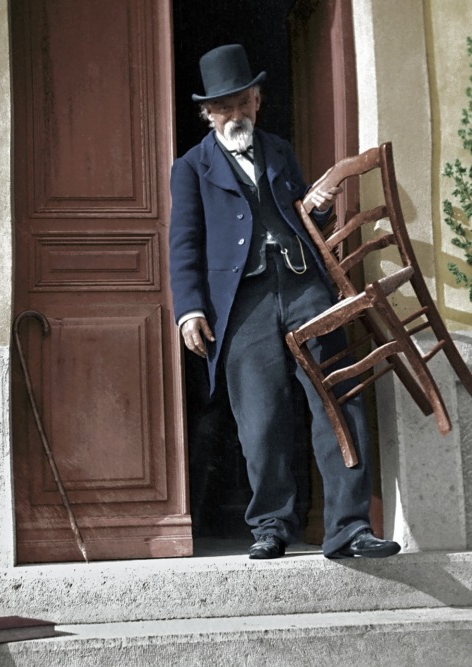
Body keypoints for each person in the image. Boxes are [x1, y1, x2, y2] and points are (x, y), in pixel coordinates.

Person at [169, 44, 400, 560]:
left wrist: (317, 211)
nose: (235, 114)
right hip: (242, 301)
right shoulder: (190, 168)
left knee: (338, 397)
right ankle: (271, 524)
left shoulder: (278, 149)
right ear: (207, 114)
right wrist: (190, 309)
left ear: (257, 99)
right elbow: (183, 242)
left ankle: (350, 527)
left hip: (304, 287)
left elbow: (302, 221)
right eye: (223, 107)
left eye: (242, 101)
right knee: (261, 415)